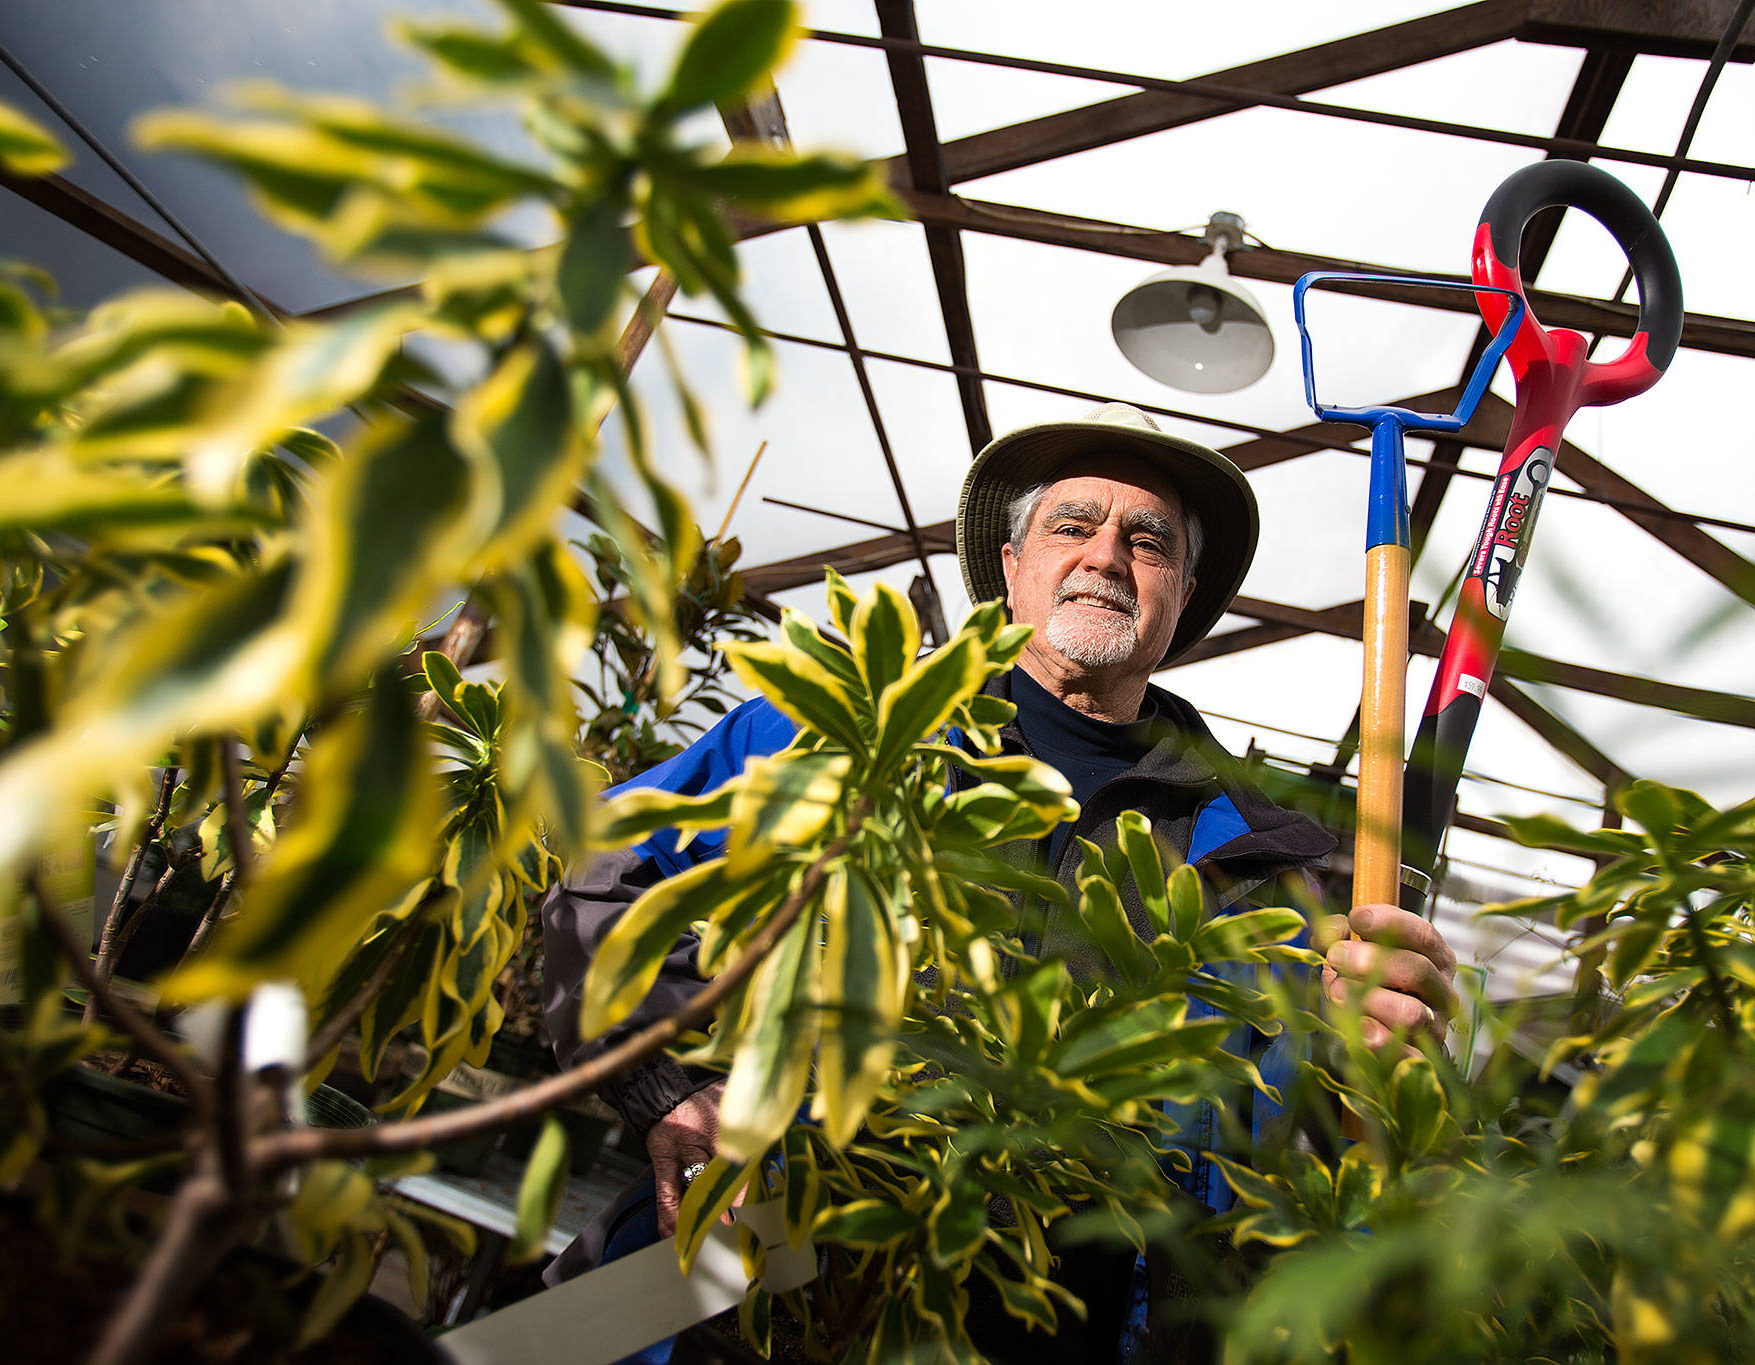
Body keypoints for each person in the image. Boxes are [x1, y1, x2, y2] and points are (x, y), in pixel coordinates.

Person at [537, 402, 1460, 1354]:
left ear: (1181, 597)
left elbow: (1315, 1149)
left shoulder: (1269, 870)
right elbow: (606, 865)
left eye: (1147, 541)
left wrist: (1395, 1063)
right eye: (1073, 525)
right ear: (1013, 566)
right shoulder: (847, 729)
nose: (1106, 555)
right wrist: (674, 1082)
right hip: (739, 1286)